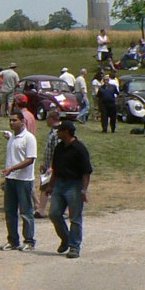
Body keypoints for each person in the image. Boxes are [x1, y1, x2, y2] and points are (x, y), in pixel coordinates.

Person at [48, 120, 92, 258]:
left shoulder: (79, 149)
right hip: (60, 183)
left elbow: (86, 172)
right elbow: (55, 169)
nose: (58, 133)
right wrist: (50, 185)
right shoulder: (59, 147)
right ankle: (66, 238)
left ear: (66, 132)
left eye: (60, 130)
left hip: (74, 185)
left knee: (75, 217)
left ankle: (74, 247)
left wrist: (84, 190)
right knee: (54, 214)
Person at [0, 110, 37, 252]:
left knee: (26, 211)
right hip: (11, 179)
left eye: (15, 120)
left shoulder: (29, 138)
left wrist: (12, 169)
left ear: (23, 121)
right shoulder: (12, 138)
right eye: (10, 120)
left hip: (24, 180)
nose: (11, 123)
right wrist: (8, 174)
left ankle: (29, 241)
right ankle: (13, 240)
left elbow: (30, 159)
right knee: (10, 211)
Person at [35, 109, 62, 215]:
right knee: (44, 186)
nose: (46, 121)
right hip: (48, 165)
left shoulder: (58, 133)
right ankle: (41, 210)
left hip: (55, 166)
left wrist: (52, 166)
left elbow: (58, 151)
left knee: (52, 187)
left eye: (47, 118)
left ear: (51, 119)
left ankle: (61, 210)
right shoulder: (52, 132)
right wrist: (45, 164)